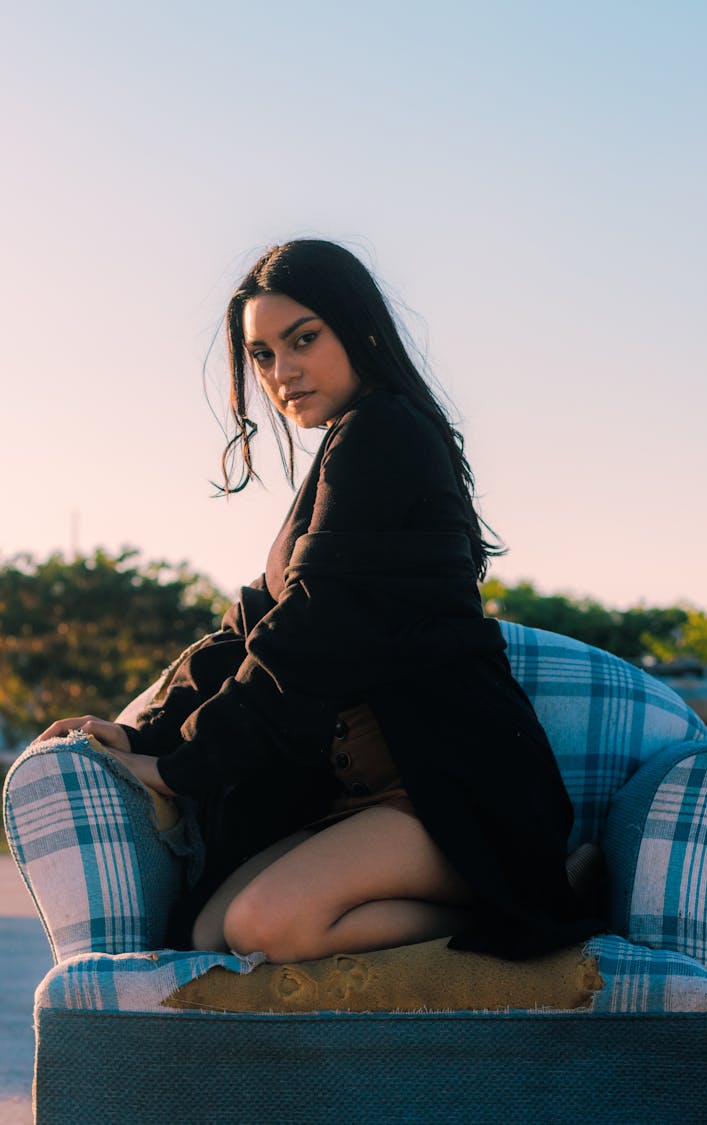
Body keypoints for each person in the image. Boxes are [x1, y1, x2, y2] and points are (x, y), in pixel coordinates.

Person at [35, 239, 600, 962]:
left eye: (303, 340)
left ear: (358, 328)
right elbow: (251, 625)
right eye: (263, 354)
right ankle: (523, 899)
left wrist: (185, 767)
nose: (282, 372)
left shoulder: (388, 432)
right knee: (210, 932)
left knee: (263, 928)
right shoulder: (345, 448)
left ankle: (537, 902)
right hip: (358, 796)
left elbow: (312, 626)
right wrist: (143, 732)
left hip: (445, 787)